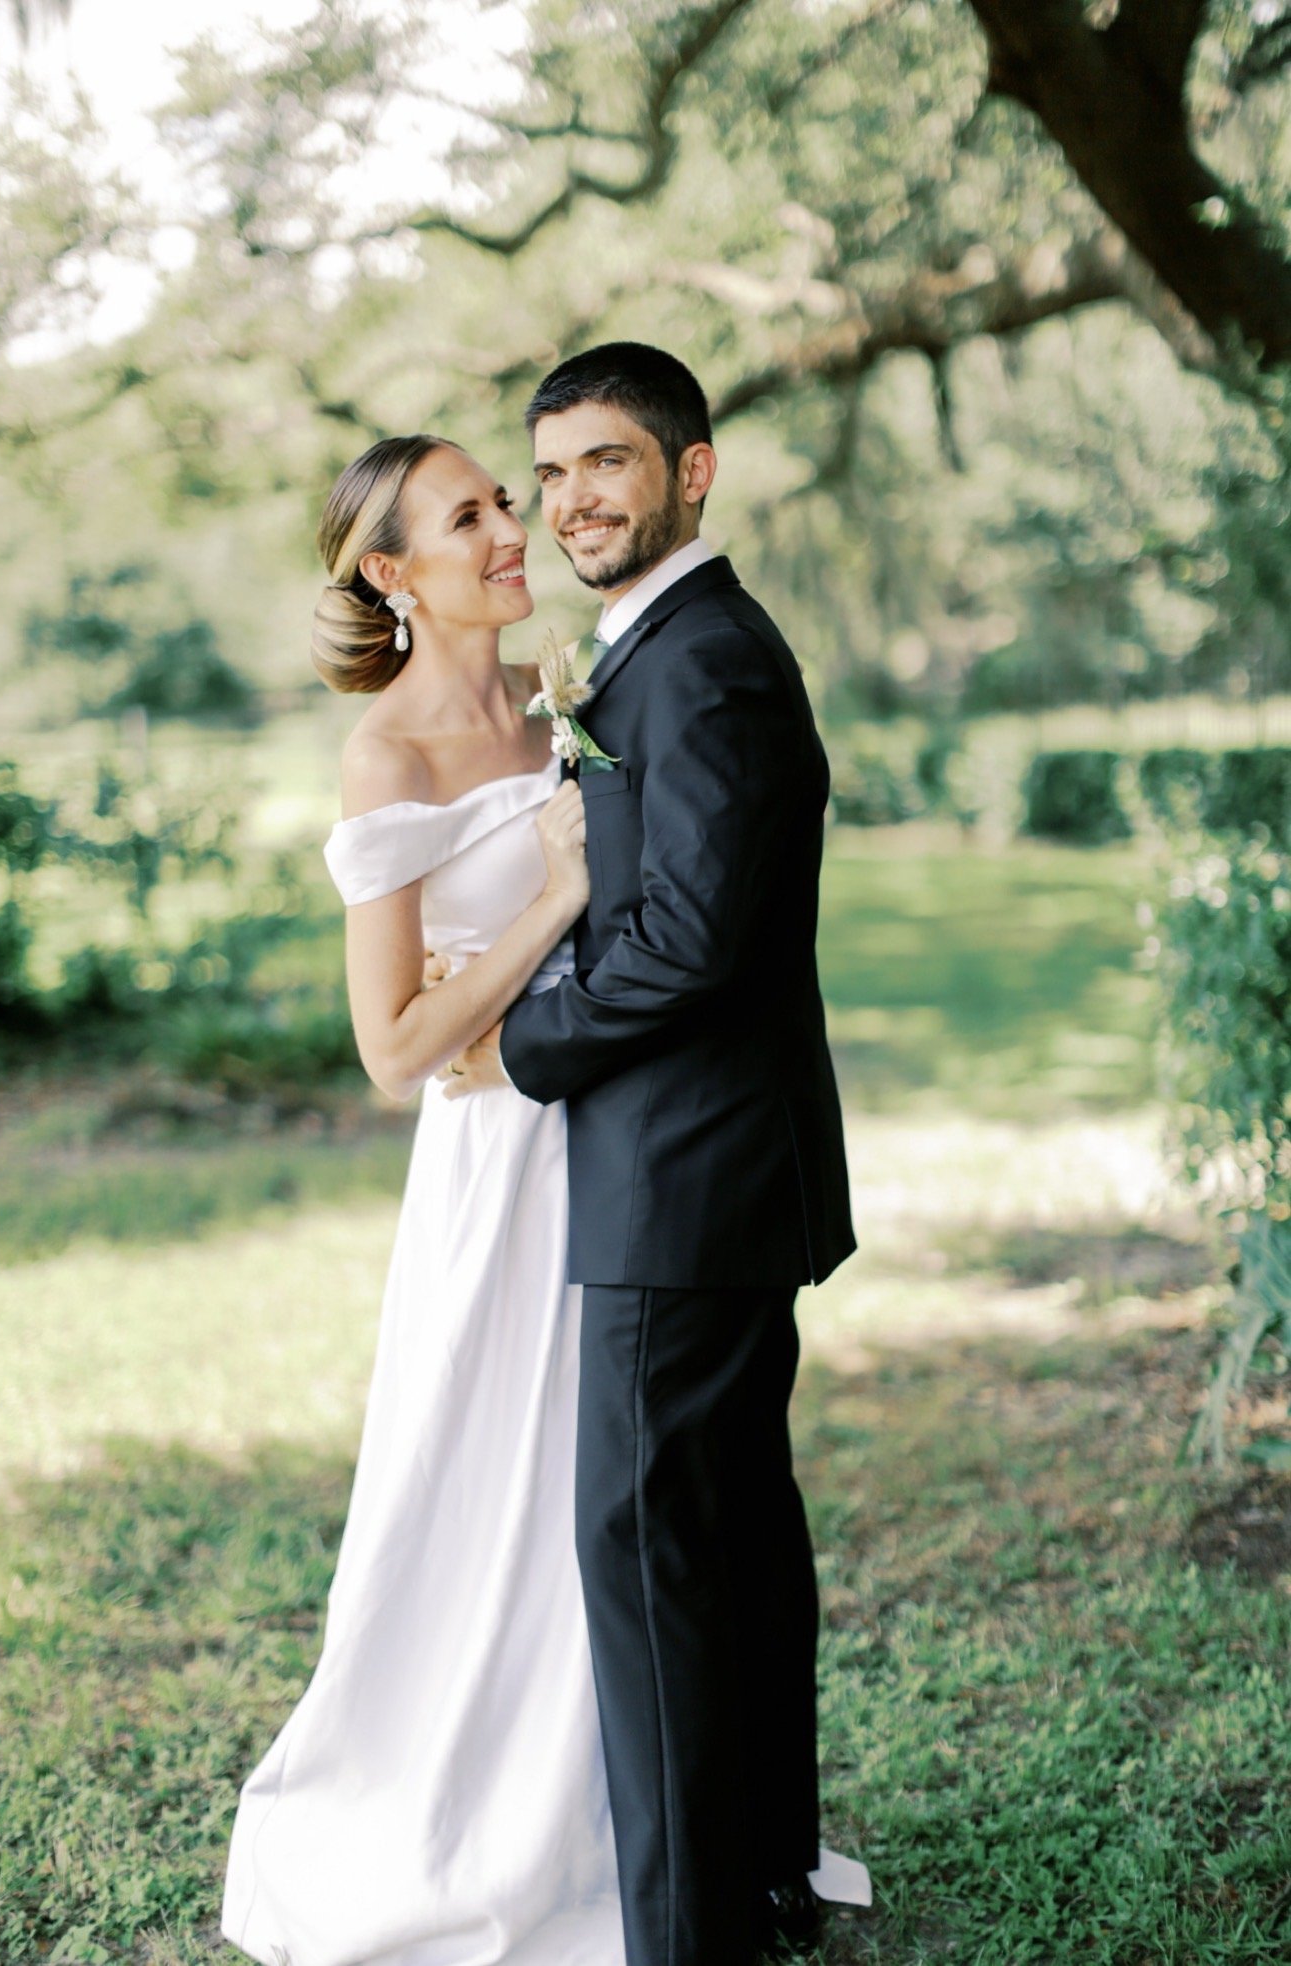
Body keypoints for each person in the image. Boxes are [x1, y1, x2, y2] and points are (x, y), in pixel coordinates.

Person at [442, 342, 864, 1966]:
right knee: (727, 1528)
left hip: (681, 1180)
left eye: (606, 462)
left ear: (694, 469)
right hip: (711, 1171)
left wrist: (522, 1043)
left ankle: (691, 1933)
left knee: (648, 1545)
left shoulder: (706, 663)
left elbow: (689, 940)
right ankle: (759, 1872)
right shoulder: (664, 648)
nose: (570, 501)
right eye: (549, 473)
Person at [219, 433, 627, 1965]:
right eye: (470, 517)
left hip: (619, 1137)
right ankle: (460, 1837)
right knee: (475, 1491)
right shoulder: (385, 757)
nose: (512, 527)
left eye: (503, 501)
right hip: (495, 1171)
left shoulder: (559, 698)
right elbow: (395, 1047)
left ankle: (611, 1818)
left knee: (603, 1487)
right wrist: (551, 901)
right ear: (393, 571)